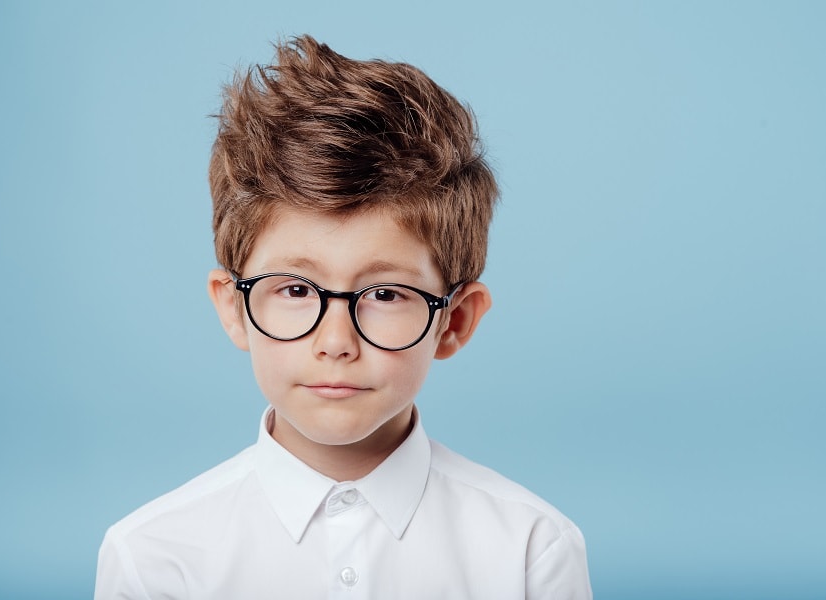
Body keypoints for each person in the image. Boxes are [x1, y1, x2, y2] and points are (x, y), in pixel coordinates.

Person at [95, 35, 592, 599]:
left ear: (453, 322)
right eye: (295, 289)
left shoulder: (530, 549)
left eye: (385, 295)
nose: (336, 342)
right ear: (234, 308)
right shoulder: (154, 558)